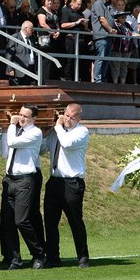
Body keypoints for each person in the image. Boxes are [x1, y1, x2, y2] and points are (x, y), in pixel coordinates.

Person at [0, 104, 46, 270]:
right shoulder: (16, 130)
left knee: (21, 220)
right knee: (8, 221)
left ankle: (39, 253)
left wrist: (11, 124)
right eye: (20, 114)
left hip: (25, 180)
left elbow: (12, 143)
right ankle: (15, 259)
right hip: (10, 179)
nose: (21, 118)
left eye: (26, 116)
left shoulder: (35, 133)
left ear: (34, 119)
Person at [41, 103, 90, 268]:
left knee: (75, 221)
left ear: (79, 119)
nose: (67, 119)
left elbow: (67, 144)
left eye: (72, 117)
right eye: (66, 115)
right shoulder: (57, 132)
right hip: (55, 181)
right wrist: (45, 134)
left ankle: (83, 256)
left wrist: (57, 126)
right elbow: (41, 150)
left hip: (72, 183)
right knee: (50, 221)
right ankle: (53, 257)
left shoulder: (81, 132)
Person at [90, 0, 119, 83]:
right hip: (101, 36)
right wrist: (110, 29)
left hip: (107, 36)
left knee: (106, 59)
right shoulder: (98, 4)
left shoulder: (105, 5)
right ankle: (98, 80)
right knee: (101, 58)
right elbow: (102, 19)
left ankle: (102, 78)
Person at [4, 20, 39, 86]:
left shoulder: (31, 38)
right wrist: (10, 69)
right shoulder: (15, 38)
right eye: (31, 29)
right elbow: (9, 55)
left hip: (29, 70)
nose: (33, 31)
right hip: (18, 71)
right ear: (25, 28)